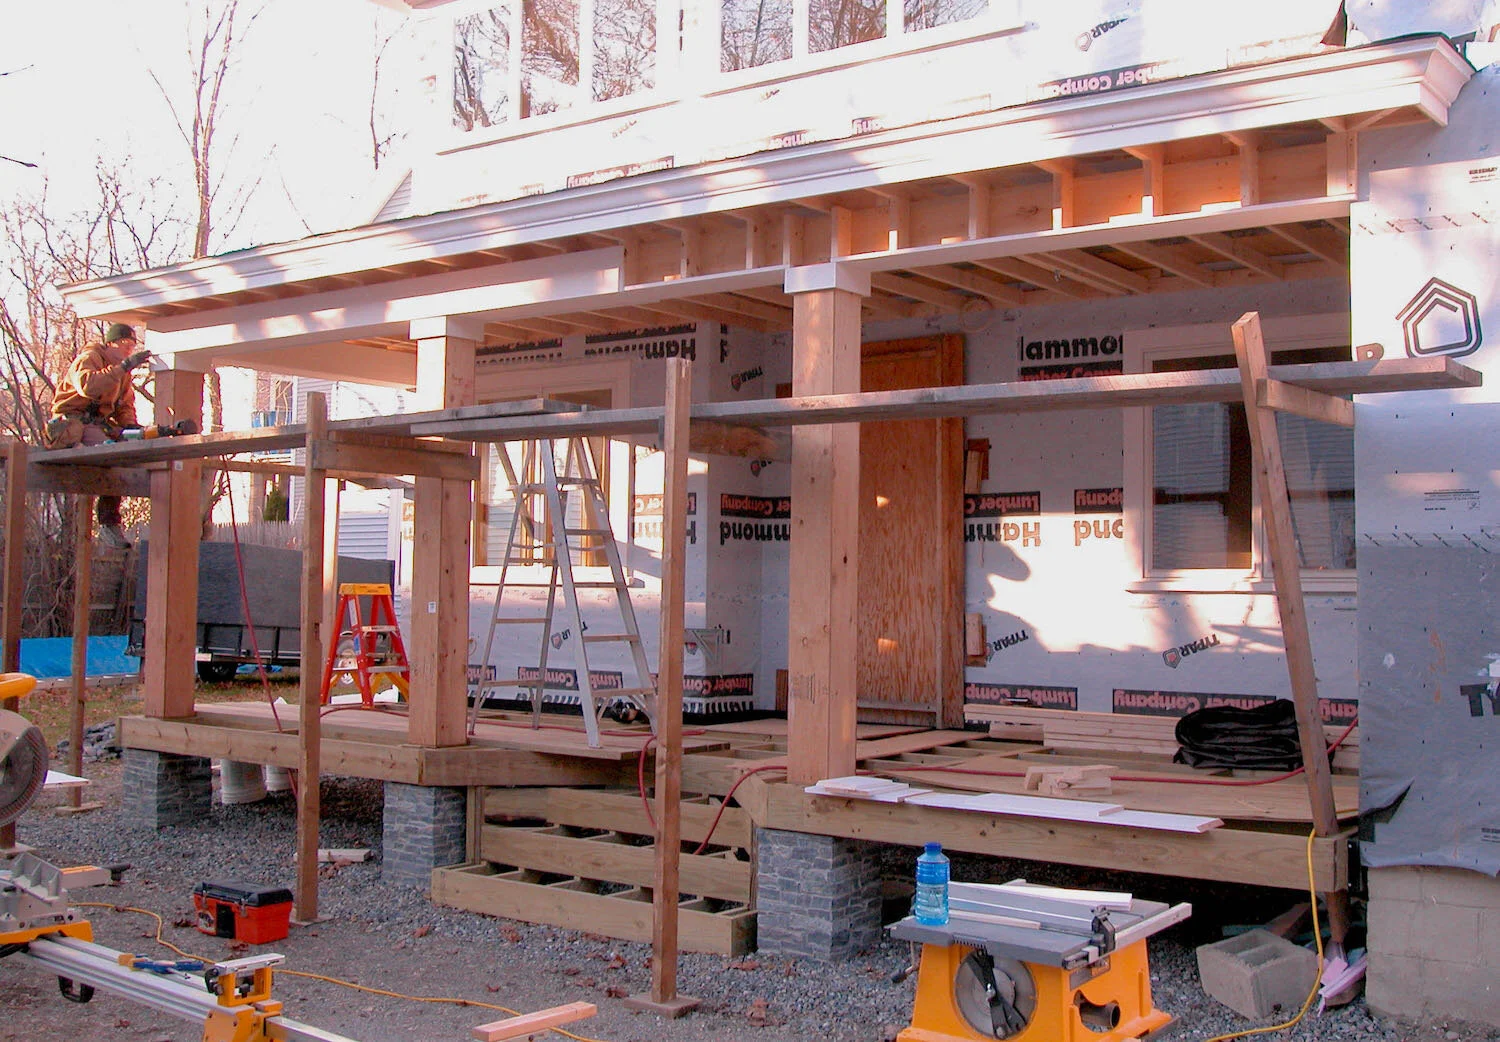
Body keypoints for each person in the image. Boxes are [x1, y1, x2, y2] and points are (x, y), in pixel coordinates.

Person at [43, 323, 151, 548]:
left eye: (132, 347)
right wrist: (123, 367)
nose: (129, 351)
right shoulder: (89, 358)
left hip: (97, 426)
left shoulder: (123, 377)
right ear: (111, 344)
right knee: (88, 447)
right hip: (69, 423)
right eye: (125, 345)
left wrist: (131, 430)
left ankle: (109, 522)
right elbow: (87, 387)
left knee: (119, 453)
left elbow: (125, 407)